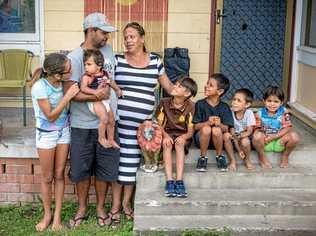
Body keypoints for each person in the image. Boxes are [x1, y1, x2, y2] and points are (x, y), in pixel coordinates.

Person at [63, 12, 121, 227]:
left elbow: (110, 79)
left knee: (104, 169)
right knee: (81, 170)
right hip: (82, 125)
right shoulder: (75, 58)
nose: (107, 36)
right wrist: (96, 95)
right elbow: (71, 92)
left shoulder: (107, 51)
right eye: (103, 32)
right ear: (90, 31)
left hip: (106, 122)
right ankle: (82, 208)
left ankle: (99, 208)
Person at [113, 22, 174, 221]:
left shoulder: (155, 61)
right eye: (125, 37)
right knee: (123, 164)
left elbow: (170, 88)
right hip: (120, 123)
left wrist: (188, 95)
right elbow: (107, 84)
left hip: (146, 128)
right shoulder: (117, 60)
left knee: (135, 165)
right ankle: (116, 206)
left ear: (142, 38)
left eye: (132, 36)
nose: (128, 40)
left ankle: (125, 204)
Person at [30, 53, 79, 231]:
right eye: (68, 69)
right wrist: (67, 97)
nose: (71, 71)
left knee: (59, 175)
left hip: (64, 132)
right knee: (47, 177)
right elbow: (50, 116)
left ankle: (57, 216)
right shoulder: (39, 87)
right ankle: (47, 215)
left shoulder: (64, 83)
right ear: (58, 75)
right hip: (46, 134)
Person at [156, 76, 197, 198]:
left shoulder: (191, 106)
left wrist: (184, 137)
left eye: (179, 86)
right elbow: (159, 125)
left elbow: (190, 132)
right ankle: (169, 181)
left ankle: (179, 180)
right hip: (166, 133)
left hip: (182, 135)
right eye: (176, 84)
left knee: (179, 143)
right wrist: (165, 136)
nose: (174, 86)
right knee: (166, 143)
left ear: (187, 93)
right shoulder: (164, 102)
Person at [81, 49, 122, 149]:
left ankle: (111, 139)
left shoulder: (104, 74)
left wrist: (117, 89)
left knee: (111, 120)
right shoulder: (87, 77)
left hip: (105, 101)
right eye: (85, 64)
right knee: (104, 118)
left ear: (99, 66)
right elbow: (83, 88)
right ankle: (101, 138)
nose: (86, 67)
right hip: (95, 102)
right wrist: (95, 92)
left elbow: (110, 82)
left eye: (89, 64)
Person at [193, 73, 234, 172]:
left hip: (218, 140)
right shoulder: (200, 104)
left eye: (210, 85)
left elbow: (226, 129)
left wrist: (219, 124)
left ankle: (219, 156)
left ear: (219, 91)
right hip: (202, 140)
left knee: (216, 129)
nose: (206, 86)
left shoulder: (224, 107)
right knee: (206, 129)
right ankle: (202, 158)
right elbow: (196, 126)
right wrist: (207, 122)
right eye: (207, 83)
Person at [252, 86, 300, 168]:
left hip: (280, 142)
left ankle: (285, 156)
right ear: (264, 101)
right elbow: (256, 129)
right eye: (269, 101)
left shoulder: (284, 112)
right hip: (265, 142)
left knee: (295, 136)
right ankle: (262, 156)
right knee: (256, 136)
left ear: (281, 103)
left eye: (276, 101)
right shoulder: (259, 114)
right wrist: (260, 136)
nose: (272, 104)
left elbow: (287, 128)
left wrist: (274, 137)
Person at [223, 88, 256, 171]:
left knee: (245, 141)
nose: (234, 102)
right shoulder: (230, 112)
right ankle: (232, 161)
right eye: (234, 99)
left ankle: (247, 160)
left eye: (239, 100)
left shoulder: (249, 113)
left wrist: (240, 135)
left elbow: (249, 131)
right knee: (226, 136)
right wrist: (238, 149)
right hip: (234, 138)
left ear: (247, 104)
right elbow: (232, 131)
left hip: (244, 136)